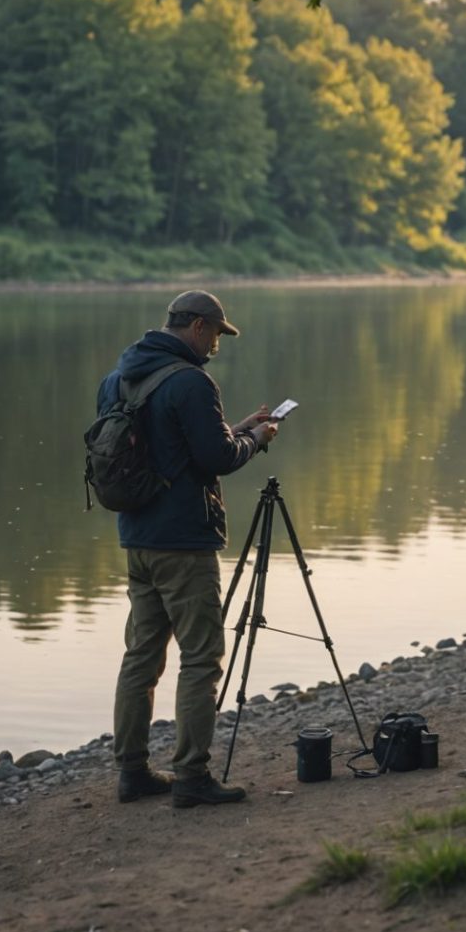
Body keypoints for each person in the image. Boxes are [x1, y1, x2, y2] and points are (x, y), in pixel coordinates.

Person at [97, 289, 279, 809]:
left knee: (141, 655)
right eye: (217, 335)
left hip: (136, 537)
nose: (217, 346)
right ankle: (192, 777)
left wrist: (236, 428)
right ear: (197, 326)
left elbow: (168, 444)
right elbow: (216, 460)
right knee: (201, 657)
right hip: (183, 542)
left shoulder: (118, 378)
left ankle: (131, 773)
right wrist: (257, 440)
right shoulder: (193, 382)